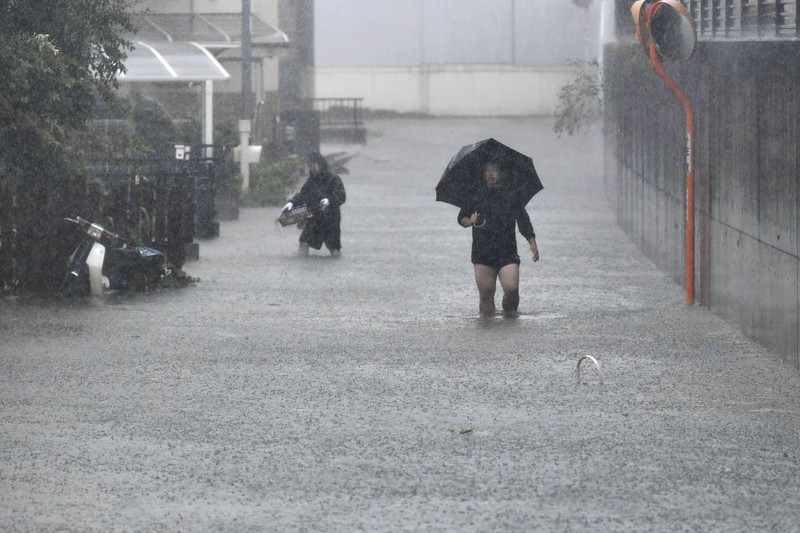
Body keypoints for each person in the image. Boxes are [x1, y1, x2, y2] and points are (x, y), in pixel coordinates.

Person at [458, 160, 539, 316]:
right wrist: (470, 221)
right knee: (486, 295)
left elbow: (523, 220)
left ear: (501, 173)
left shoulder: (511, 194)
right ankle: (488, 333)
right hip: (482, 252)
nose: (491, 174)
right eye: (487, 171)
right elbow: (461, 219)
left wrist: (532, 241)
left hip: (507, 252)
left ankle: (510, 319)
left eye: (494, 170)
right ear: (483, 173)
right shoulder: (475, 193)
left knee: (511, 289)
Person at [282, 152, 347, 257]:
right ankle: (303, 264)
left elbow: (341, 196)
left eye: (313, 165)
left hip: (331, 220)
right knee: (303, 241)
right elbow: (303, 194)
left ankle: (336, 264)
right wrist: (291, 203)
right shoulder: (312, 180)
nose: (311, 168)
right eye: (309, 166)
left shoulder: (333, 178)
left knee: (334, 248)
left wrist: (329, 201)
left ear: (320, 164)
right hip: (314, 218)